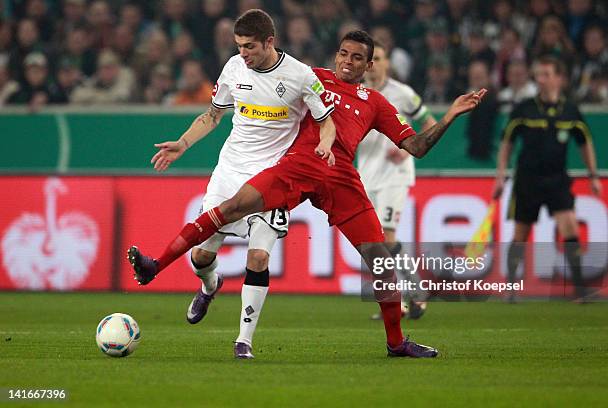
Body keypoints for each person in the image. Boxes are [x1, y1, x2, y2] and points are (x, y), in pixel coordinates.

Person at [128, 29, 486, 359]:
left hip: (341, 176)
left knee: (381, 262)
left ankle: (396, 343)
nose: (347, 61)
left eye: (356, 57)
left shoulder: (374, 102)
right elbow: (271, 72)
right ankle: (156, 265)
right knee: (233, 205)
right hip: (298, 164)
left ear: (369, 64)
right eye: (343, 53)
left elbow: (417, 146)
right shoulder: (311, 76)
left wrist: (450, 114)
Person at [145, 9, 335, 359]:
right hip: (230, 172)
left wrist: (325, 142)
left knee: (259, 257)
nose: (243, 53)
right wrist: (182, 144)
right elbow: (213, 115)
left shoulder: (301, 76)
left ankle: (244, 340)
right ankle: (210, 285)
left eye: (249, 46)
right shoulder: (233, 68)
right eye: (239, 46)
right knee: (200, 257)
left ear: (269, 41)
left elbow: (326, 120)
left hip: (271, 178)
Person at [493, 56, 602, 302]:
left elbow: (585, 143)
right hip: (527, 180)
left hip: (556, 180)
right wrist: (500, 176)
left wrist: (593, 175)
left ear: (559, 78)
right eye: (538, 74)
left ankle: (579, 291)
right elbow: (507, 142)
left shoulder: (570, 111)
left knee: (570, 227)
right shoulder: (524, 108)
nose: (540, 79)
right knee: (521, 234)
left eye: (545, 74)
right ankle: (510, 290)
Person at [358, 41, 436, 321]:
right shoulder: (357, 93)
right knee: (373, 242)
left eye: (379, 58)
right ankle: (398, 301)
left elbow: (429, 123)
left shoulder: (402, 94)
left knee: (386, 238)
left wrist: (406, 152)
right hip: (366, 175)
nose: (374, 64)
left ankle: (415, 292)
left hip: (395, 175)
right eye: (370, 59)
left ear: (387, 62)